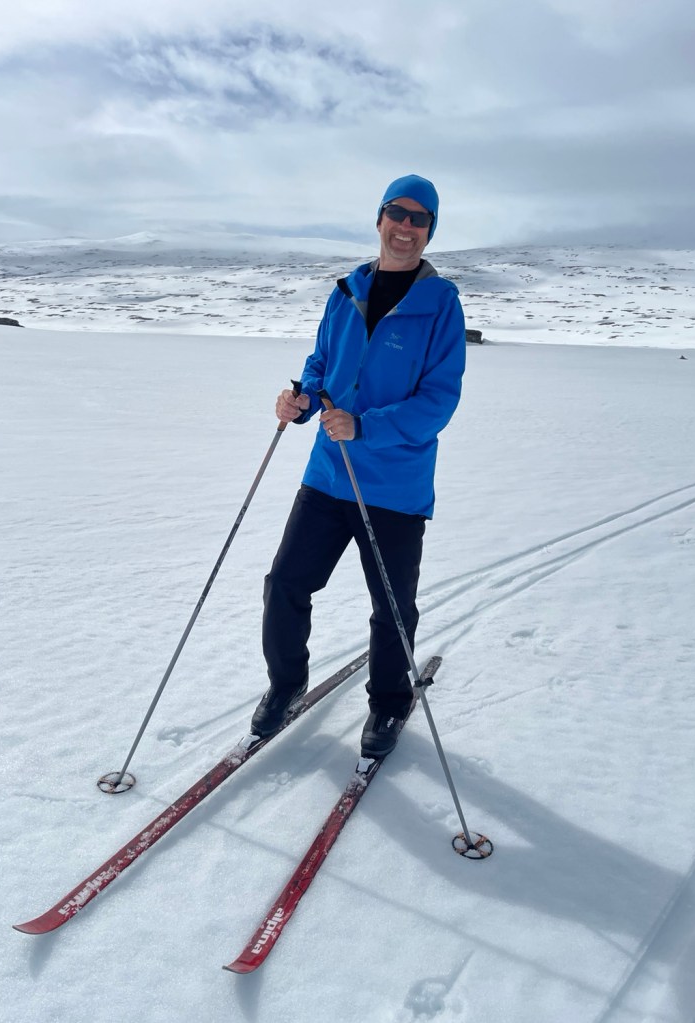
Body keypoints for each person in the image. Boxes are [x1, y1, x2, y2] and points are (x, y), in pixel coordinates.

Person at [250, 174, 466, 757]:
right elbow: (321, 365)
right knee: (285, 584)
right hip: (327, 475)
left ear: (430, 231)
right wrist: (300, 400)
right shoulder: (346, 291)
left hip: (395, 486)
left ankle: (390, 704)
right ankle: (286, 684)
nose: (406, 227)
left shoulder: (440, 304)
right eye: (398, 213)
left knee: (391, 609)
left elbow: (438, 400)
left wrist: (366, 426)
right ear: (380, 219)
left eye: (419, 219)